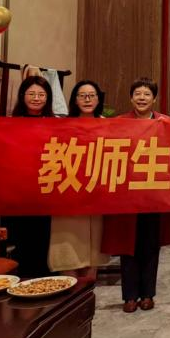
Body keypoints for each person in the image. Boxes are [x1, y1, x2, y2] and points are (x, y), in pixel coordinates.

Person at [101, 78, 170, 313]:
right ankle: (129, 296)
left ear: (154, 98)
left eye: (147, 94)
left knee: (150, 245)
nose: (142, 98)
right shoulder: (119, 123)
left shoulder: (165, 123)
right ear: (131, 98)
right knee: (128, 246)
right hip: (127, 196)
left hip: (154, 195)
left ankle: (147, 294)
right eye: (138, 94)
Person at [48, 80, 110, 279]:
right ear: (75, 100)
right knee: (68, 247)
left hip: (96, 193)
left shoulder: (109, 125)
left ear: (98, 99)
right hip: (68, 194)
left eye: (91, 95)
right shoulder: (62, 125)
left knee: (93, 248)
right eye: (82, 96)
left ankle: (88, 290)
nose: (87, 99)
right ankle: (70, 291)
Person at [5, 76, 55, 277]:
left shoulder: (56, 124)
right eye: (32, 94)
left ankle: (44, 283)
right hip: (20, 192)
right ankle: (23, 282)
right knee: (22, 241)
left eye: (41, 94)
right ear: (22, 96)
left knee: (45, 239)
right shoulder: (9, 124)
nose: (36, 98)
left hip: (46, 191)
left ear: (48, 98)